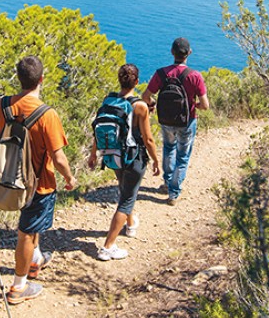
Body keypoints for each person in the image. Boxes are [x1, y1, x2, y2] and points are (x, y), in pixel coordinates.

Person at [0, 55, 77, 304]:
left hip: (7, 179)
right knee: (26, 232)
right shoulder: (47, 115)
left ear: (19, 79)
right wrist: (69, 177)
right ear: (42, 79)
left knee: (32, 229)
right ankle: (19, 287)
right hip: (40, 185)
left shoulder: (1, 107)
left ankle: (35, 261)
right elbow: (59, 157)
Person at [89, 63, 161, 261]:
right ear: (137, 82)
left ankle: (130, 225)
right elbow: (148, 139)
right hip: (133, 158)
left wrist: (94, 154)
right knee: (127, 199)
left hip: (112, 155)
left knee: (125, 189)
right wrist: (156, 160)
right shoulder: (140, 106)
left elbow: (98, 128)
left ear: (119, 80)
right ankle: (107, 247)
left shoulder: (109, 100)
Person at [142, 38, 210, 205]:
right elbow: (205, 105)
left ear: (172, 52)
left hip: (165, 119)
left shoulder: (161, 73)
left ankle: (166, 182)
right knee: (183, 155)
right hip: (187, 121)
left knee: (168, 148)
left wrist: (152, 104)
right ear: (189, 53)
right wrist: (195, 105)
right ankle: (173, 193)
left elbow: (145, 96)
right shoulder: (195, 76)